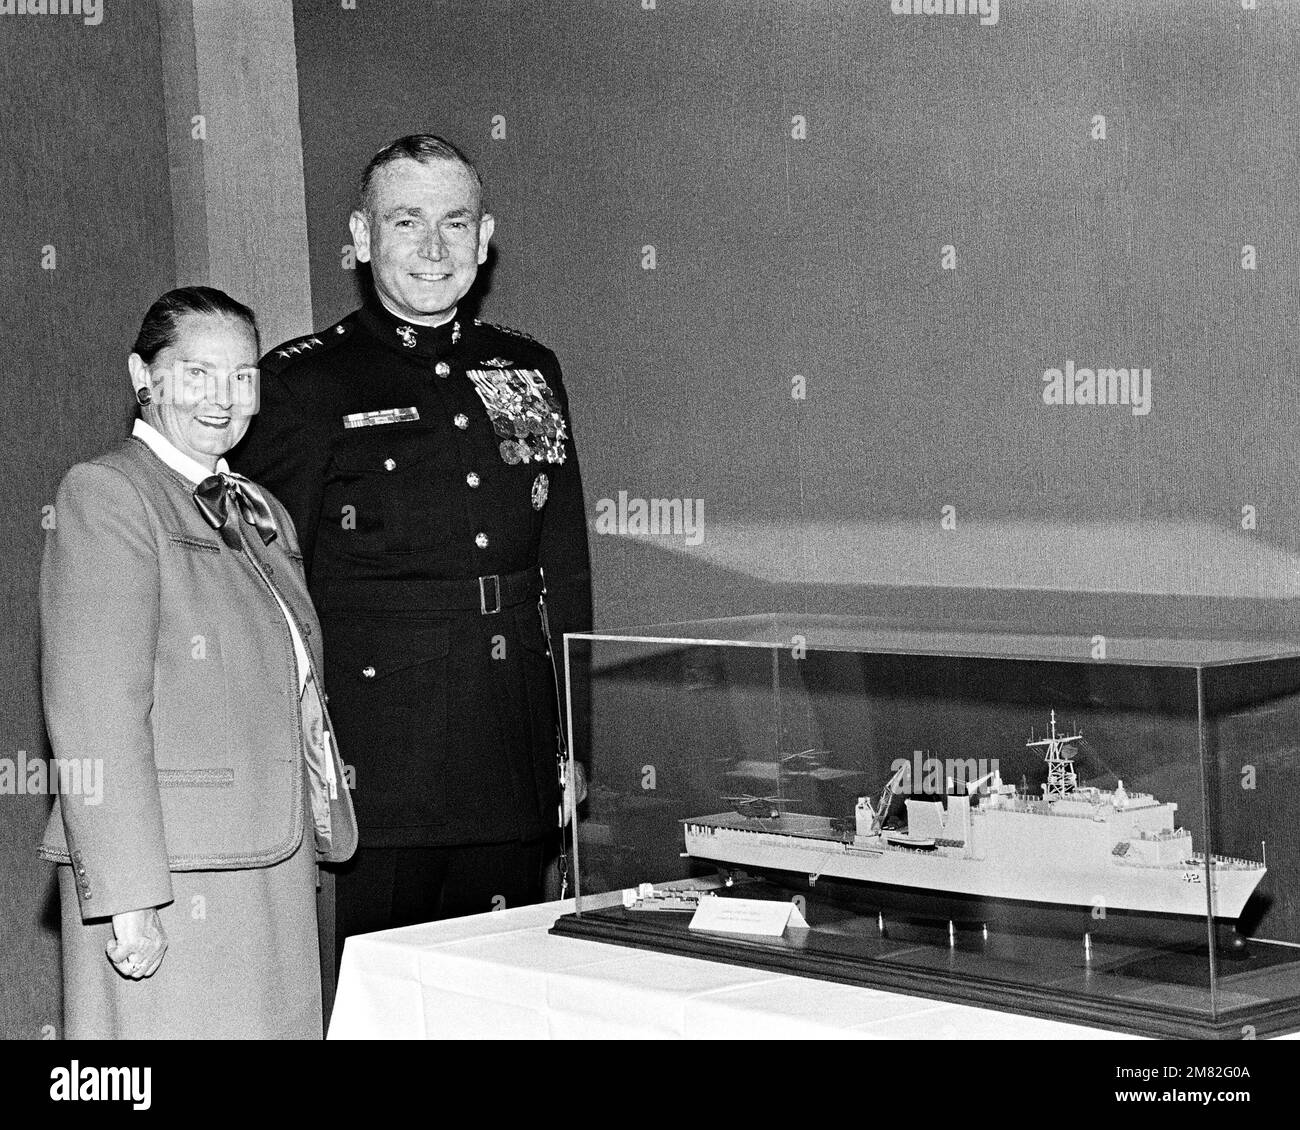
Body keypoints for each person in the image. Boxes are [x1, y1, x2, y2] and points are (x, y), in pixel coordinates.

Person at [231, 134, 591, 955]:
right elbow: (264, 588)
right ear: (361, 238)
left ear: (485, 237)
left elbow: (563, 566)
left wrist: (577, 744)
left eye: (455, 223)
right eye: (406, 222)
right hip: (379, 766)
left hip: (512, 747)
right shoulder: (304, 382)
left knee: (500, 993)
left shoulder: (527, 369)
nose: (434, 248)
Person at [38, 286, 356, 1039]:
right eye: (197, 374)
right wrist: (128, 897)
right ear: (142, 377)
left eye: (243, 376)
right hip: (171, 874)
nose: (224, 398)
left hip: (268, 857)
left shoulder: (260, 509)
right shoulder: (109, 494)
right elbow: (95, 712)